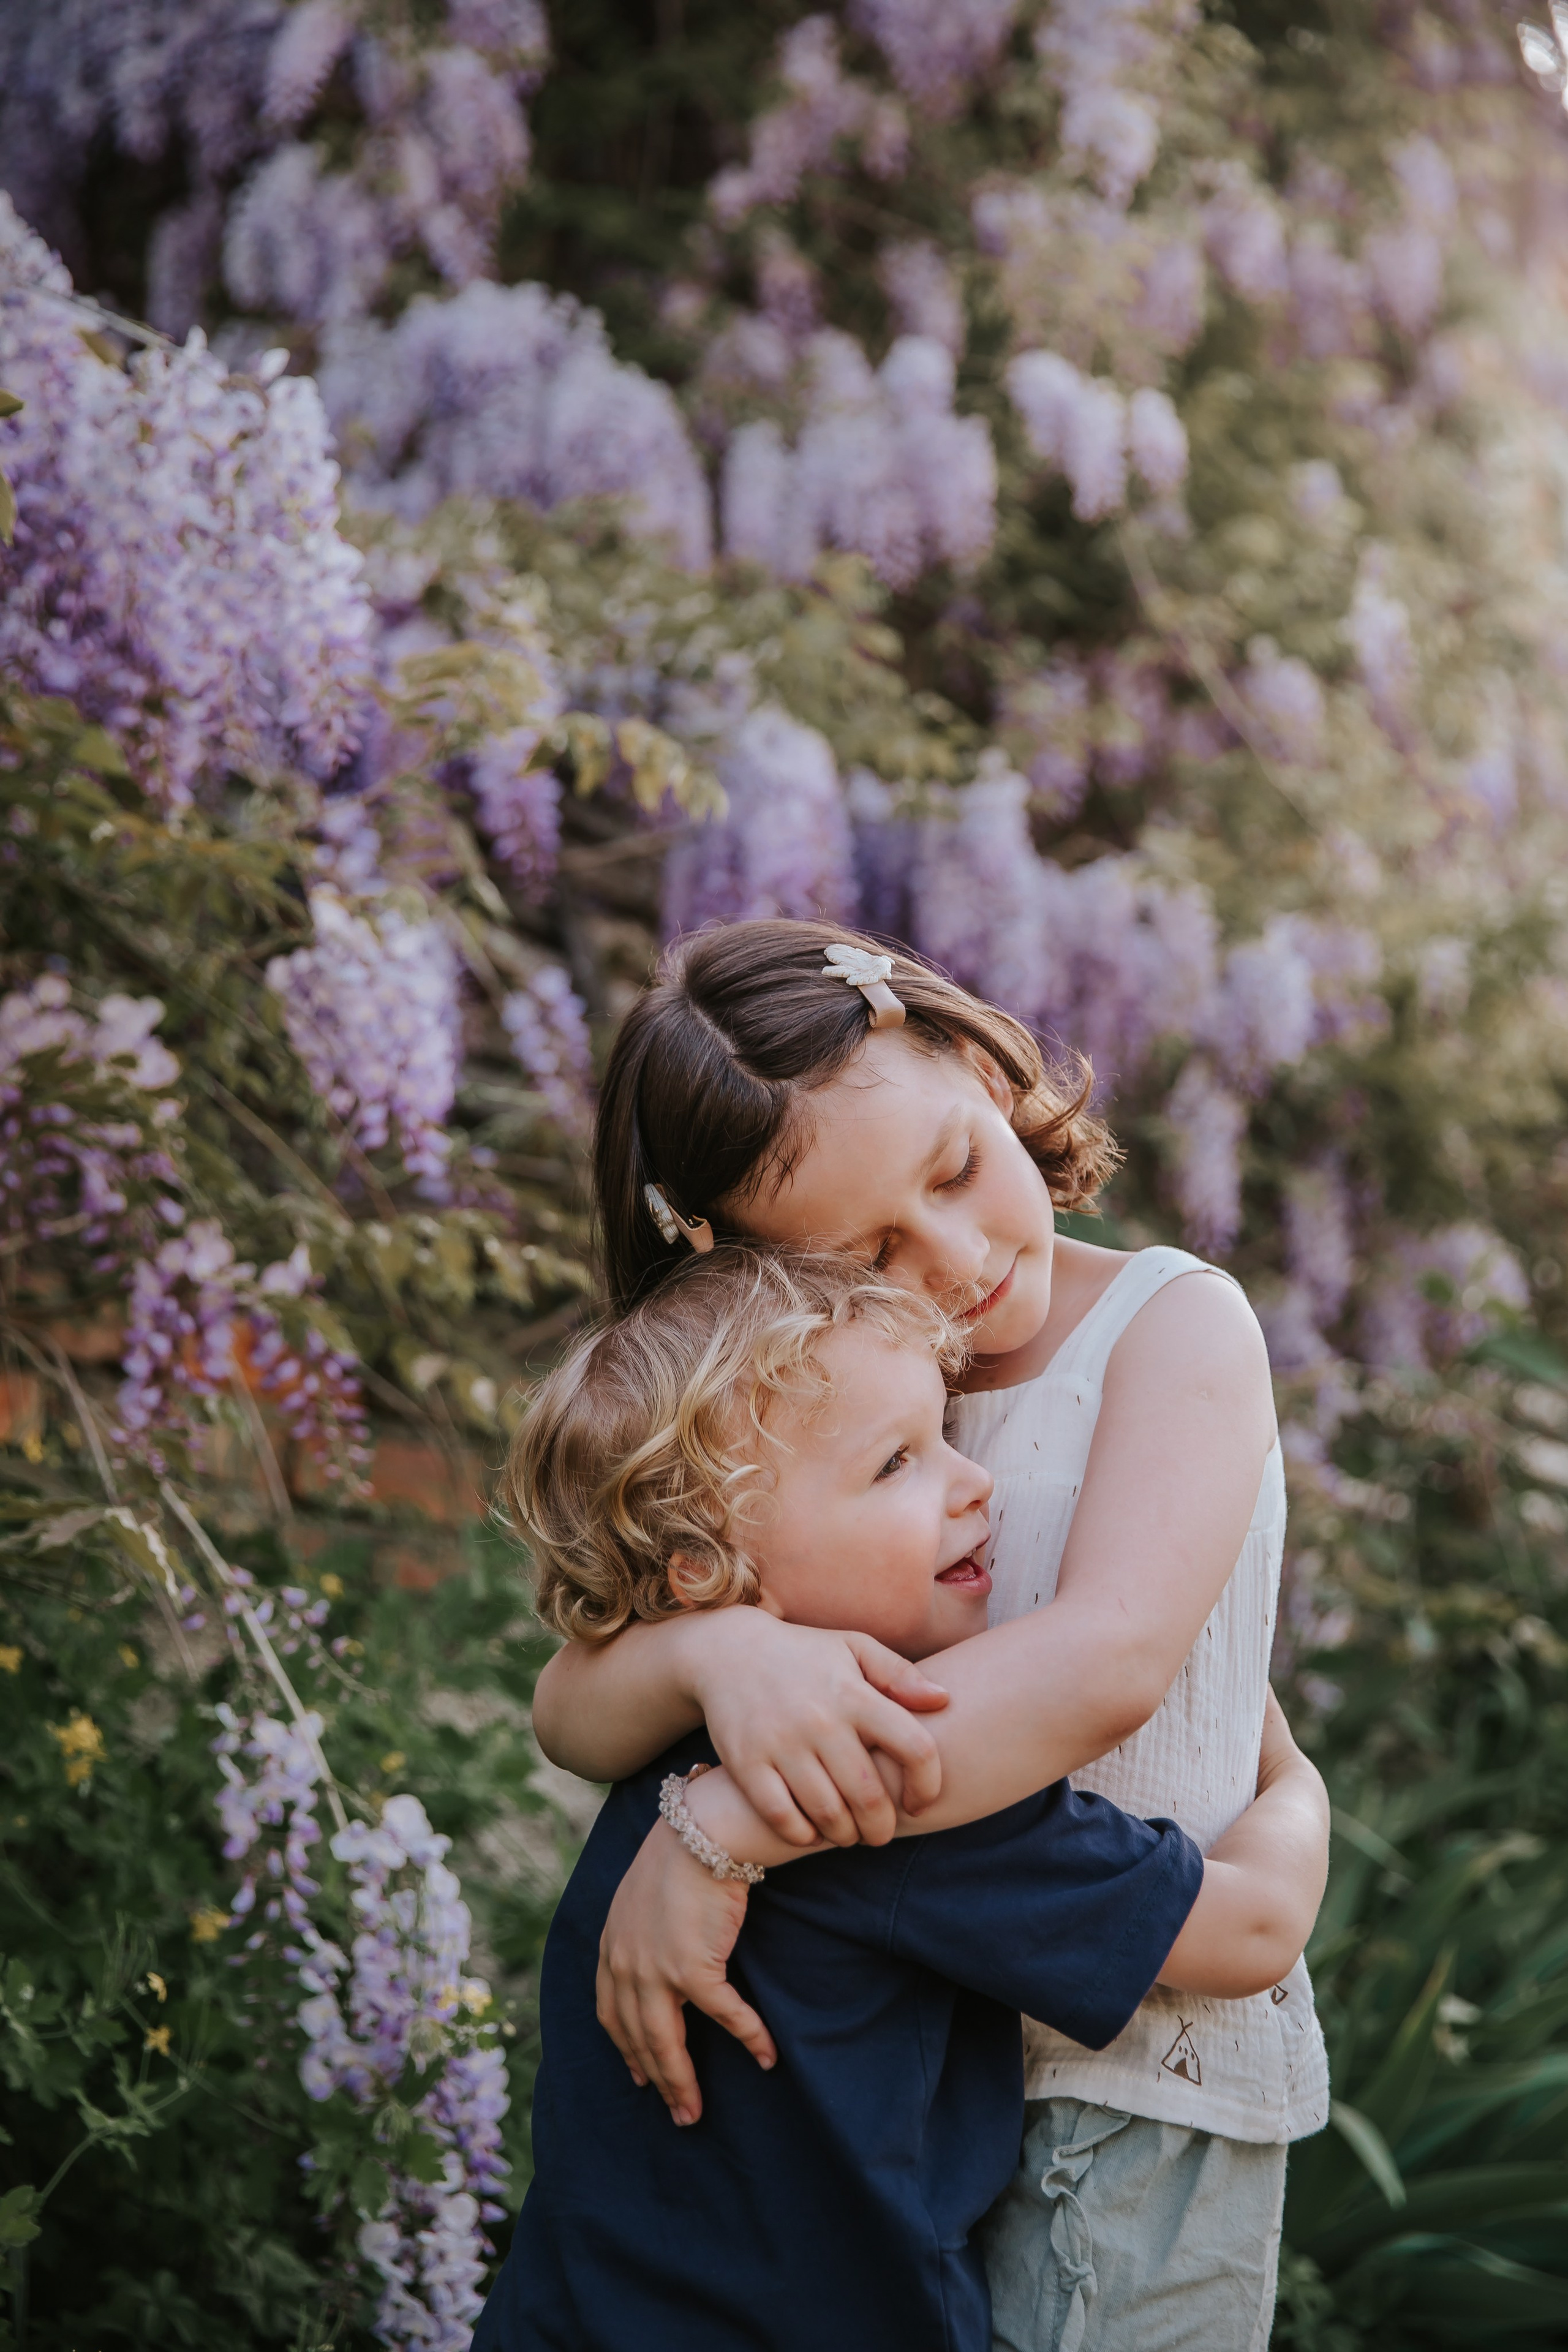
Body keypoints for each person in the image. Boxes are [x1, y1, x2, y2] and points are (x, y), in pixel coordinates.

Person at [530, 919, 1332, 2352]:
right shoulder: (820, 1392)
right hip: (903, 2073)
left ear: (978, 1063)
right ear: (761, 1278)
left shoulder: (1171, 1326)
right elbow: (570, 1708)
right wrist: (716, 1654)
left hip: (1127, 2070)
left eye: (954, 1168)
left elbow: (1100, 1669)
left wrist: (724, 1829)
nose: (956, 1261)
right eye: (868, 1253)